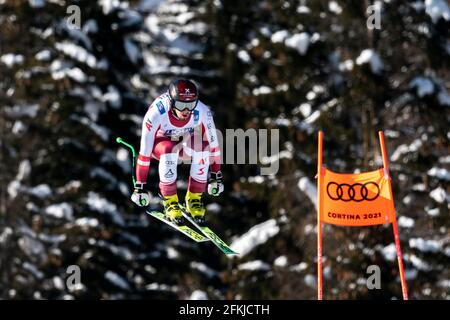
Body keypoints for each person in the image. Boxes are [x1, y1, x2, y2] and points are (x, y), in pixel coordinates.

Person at [131, 79, 223, 225]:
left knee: (203, 147)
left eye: (190, 105)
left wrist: (216, 176)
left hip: (183, 142)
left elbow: (214, 146)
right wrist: (140, 186)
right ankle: (170, 201)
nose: (186, 111)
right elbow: (144, 153)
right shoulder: (157, 112)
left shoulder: (202, 110)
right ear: (172, 102)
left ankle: (194, 198)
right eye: (181, 105)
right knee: (169, 149)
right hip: (160, 145)